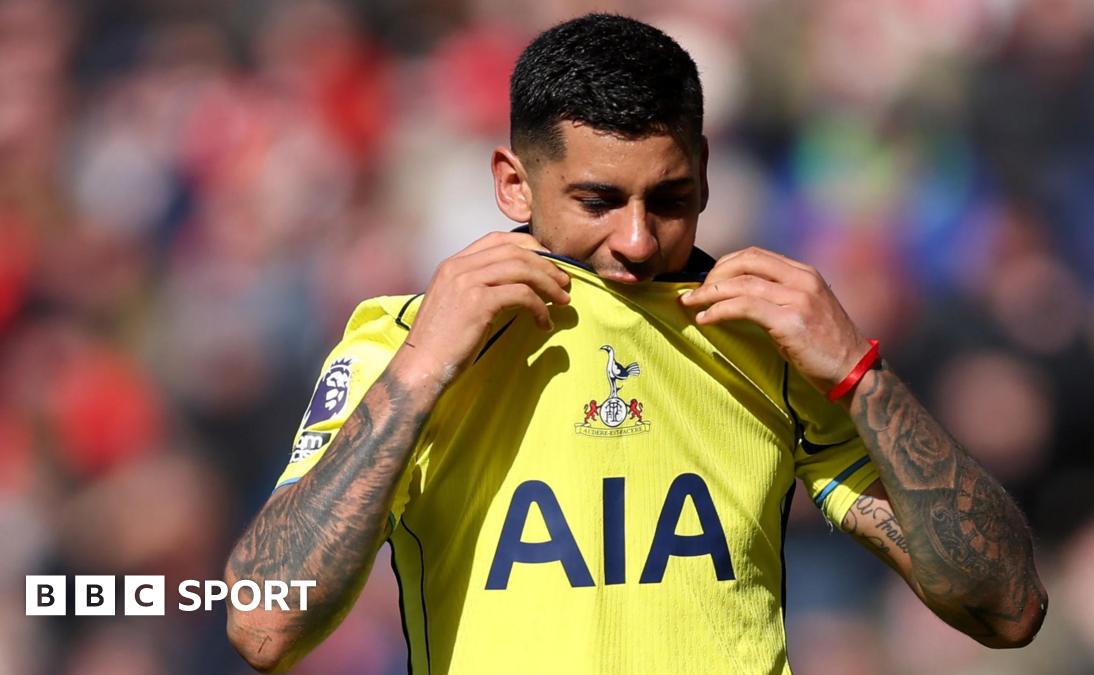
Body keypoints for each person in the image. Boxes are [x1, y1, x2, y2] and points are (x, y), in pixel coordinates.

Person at [225, 13, 1047, 674]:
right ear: (514, 181)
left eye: (671, 197)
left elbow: (1005, 606)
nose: (638, 239)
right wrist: (419, 374)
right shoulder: (404, 344)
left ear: (706, 169)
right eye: (598, 199)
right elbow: (264, 625)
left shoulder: (764, 338)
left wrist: (864, 379)